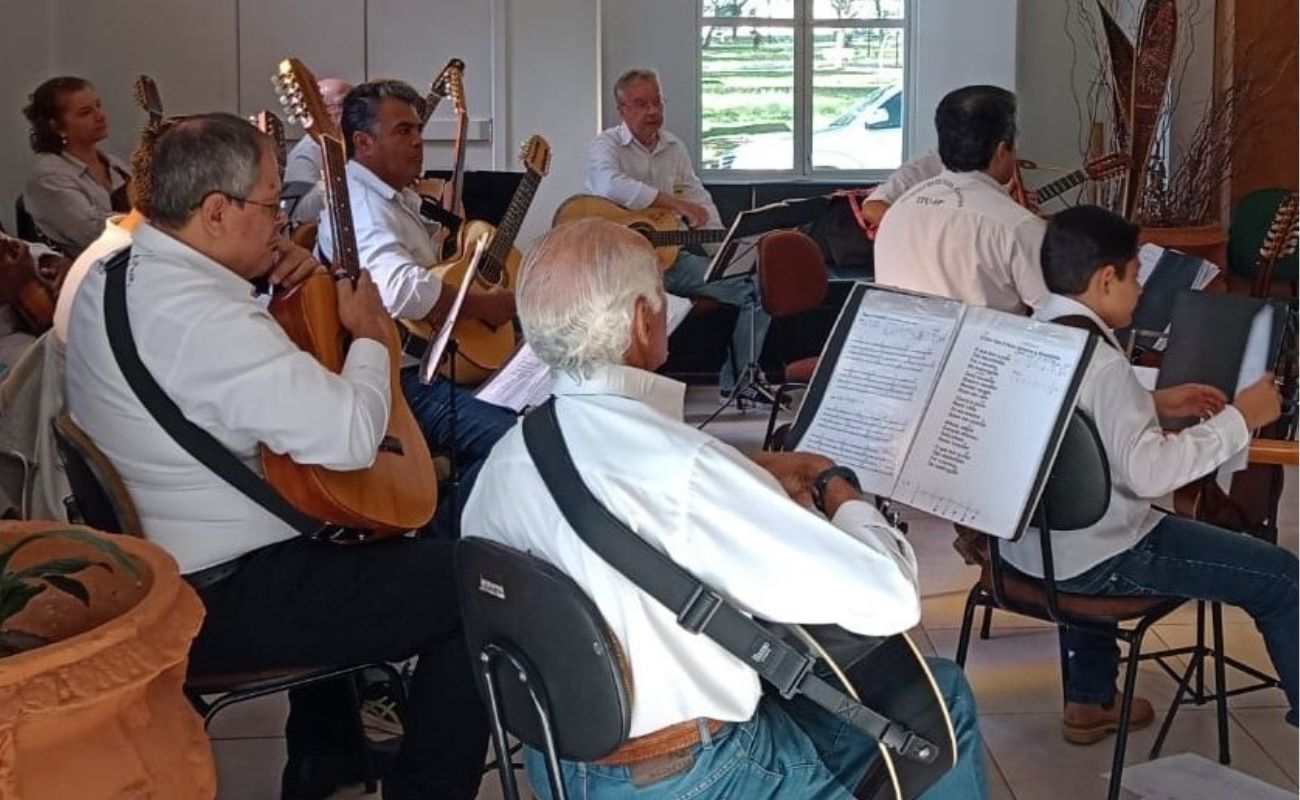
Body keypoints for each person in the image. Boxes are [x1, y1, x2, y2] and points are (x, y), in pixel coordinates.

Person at [463, 217, 989, 800]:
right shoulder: (684, 469)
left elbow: (626, 497)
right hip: (697, 779)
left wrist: (742, 474)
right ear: (643, 319)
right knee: (941, 697)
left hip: (557, 763)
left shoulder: (505, 458)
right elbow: (888, 600)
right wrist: (836, 486)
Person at [64, 113, 488, 800]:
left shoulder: (116, 274)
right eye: (270, 204)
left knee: (355, 534)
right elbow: (351, 436)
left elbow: (205, 381)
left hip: (170, 572)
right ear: (215, 212)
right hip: (220, 600)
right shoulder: (205, 319)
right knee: (472, 583)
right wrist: (372, 337)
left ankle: (329, 762)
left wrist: (269, 286)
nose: (282, 221)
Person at [1000, 205, 1298, 742]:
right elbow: (1150, 475)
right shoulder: (1105, 364)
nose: (1140, 290)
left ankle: (1090, 701)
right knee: (1282, 578)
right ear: (1106, 278)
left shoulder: (1031, 331)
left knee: (1098, 518)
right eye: (1136, 275)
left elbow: (1080, 427)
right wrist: (1240, 418)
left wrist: (1153, 403)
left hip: (1024, 550)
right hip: (1098, 561)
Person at [316, 79, 517, 530]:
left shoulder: (394, 196)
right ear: (363, 142)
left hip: (427, 366)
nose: (417, 142)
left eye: (418, 131)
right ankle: (446, 539)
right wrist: (481, 308)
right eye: (403, 131)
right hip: (402, 382)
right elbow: (400, 290)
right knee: (513, 440)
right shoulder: (362, 205)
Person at [586, 68, 770, 402]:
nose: (652, 111)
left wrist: (722, 253)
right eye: (641, 104)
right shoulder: (606, 145)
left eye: (657, 102)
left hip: (673, 263)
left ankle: (739, 382)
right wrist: (673, 202)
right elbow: (609, 184)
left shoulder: (674, 147)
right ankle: (614, 395)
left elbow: (699, 202)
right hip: (619, 270)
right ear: (622, 110)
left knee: (756, 290)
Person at [873, 85, 1048, 315]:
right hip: (983, 349)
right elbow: (1056, 316)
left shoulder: (898, 212)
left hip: (900, 348)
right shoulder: (1017, 226)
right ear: (1002, 150)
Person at [22, 76, 132, 256]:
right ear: (57, 127)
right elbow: (94, 232)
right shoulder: (48, 177)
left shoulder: (114, 163)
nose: (100, 116)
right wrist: (154, 219)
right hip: (91, 274)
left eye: (98, 105)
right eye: (85, 112)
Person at [283, 77, 353, 224]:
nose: (355, 111)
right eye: (345, 103)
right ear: (324, 111)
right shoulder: (306, 154)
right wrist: (330, 183)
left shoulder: (358, 143)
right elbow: (297, 214)